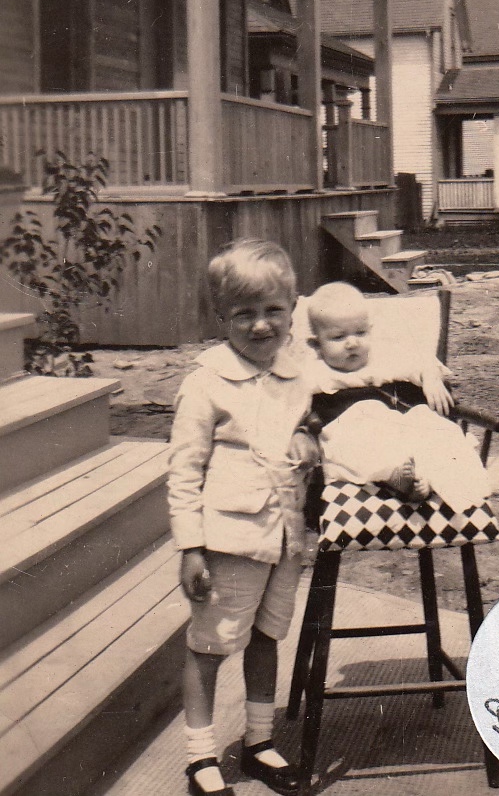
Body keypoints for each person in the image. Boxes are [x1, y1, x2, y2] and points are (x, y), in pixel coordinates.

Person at [167, 240, 318, 796]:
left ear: (293, 306)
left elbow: (318, 417)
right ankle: (199, 755)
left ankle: (259, 741)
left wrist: (310, 436)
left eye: (273, 311)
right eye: (243, 315)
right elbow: (184, 471)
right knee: (209, 643)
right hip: (229, 538)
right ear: (219, 317)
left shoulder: (299, 369)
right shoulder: (206, 382)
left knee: (266, 636)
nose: (260, 327)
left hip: (286, 535)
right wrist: (191, 547)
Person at [302, 282, 490, 513]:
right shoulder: (315, 372)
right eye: (339, 337)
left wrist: (430, 378)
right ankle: (397, 478)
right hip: (357, 436)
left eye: (360, 333)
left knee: (433, 426)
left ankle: (430, 480)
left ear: (370, 330)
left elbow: (419, 362)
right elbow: (288, 395)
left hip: (399, 429)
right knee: (347, 444)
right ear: (316, 344)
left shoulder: (383, 358)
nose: (353, 343)